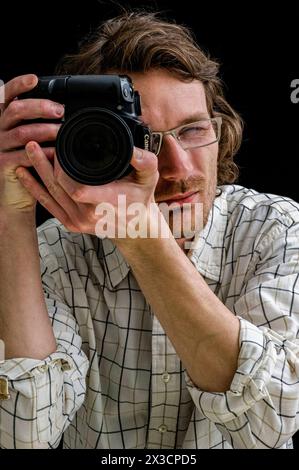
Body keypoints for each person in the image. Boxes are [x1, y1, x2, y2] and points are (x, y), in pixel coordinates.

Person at [0, 10, 298, 450]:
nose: (179, 168)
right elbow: (25, 433)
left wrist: (140, 236)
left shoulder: (273, 229)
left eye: (194, 130)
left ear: (221, 128)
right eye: (143, 140)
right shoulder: (54, 255)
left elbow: (272, 423)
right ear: (89, 143)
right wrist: (11, 212)